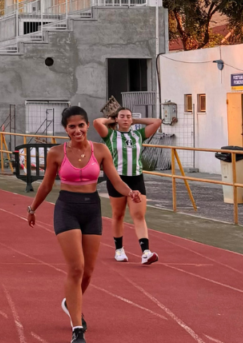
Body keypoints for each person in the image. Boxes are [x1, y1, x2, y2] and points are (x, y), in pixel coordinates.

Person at [27, 106, 142, 343]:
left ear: (88, 125)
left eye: (81, 125)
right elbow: (46, 185)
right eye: (72, 126)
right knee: (76, 267)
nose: (77, 130)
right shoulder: (56, 153)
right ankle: (77, 329)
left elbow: (115, 179)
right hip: (67, 208)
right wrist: (32, 208)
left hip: (92, 210)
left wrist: (130, 192)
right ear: (65, 129)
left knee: (88, 272)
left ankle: (70, 303)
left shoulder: (100, 150)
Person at [93, 108, 162, 264]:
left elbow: (157, 122)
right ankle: (119, 250)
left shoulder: (138, 135)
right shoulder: (110, 135)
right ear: (117, 119)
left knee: (138, 214)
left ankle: (145, 252)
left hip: (136, 178)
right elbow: (97, 122)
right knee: (118, 214)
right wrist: (112, 120)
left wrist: (135, 121)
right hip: (117, 178)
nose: (125, 119)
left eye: (128, 117)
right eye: (122, 116)